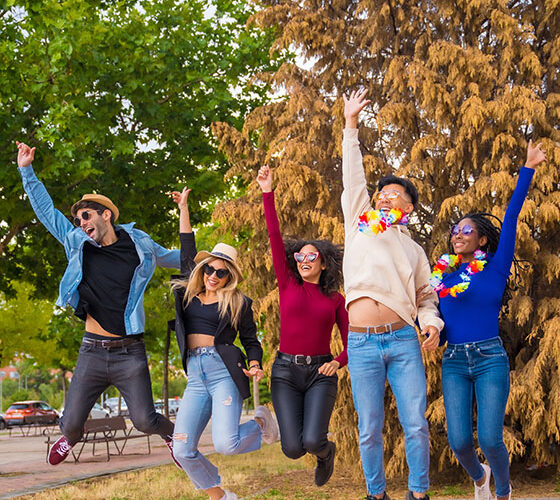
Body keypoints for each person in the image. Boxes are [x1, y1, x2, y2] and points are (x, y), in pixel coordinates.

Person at [15, 141, 180, 466]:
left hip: (129, 351)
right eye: (77, 219)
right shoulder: (78, 243)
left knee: (145, 421)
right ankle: (70, 439)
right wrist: (26, 172)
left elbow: (172, 258)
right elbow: (48, 214)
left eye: (86, 216)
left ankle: (172, 434)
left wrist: (206, 258)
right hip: (92, 349)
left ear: (106, 215)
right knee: (71, 424)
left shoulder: (138, 244)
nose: (81, 223)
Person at [341, 90, 444, 500]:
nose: (385, 196)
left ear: (410, 208)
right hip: (362, 342)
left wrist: (432, 325)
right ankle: (376, 494)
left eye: (395, 195)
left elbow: (426, 298)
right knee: (369, 428)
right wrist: (351, 125)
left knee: (415, 423)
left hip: (403, 339)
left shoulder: (415, 250)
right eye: (382, 193)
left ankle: (419, 493)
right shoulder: (360, 223)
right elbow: (353, 178)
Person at [433, 140, 546, 500]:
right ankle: (479, 476)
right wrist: (430, 329)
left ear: (481, 239)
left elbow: (511, 216)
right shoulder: (442, 276)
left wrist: (527, 168)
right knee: (460, 441)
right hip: (453, 361)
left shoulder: (494, 267)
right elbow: (431, 311)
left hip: (489, 358)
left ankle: (503, 490)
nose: (458, 234)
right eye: (455, 231)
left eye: (466, 230)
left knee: (491, 438)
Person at [170, 186, 278, 500]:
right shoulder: (188, 294)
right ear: (203, 270)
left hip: (223, 373)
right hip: (195, 376)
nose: (213, 274)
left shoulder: (238, 303)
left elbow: (250, 340)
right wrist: (184, 209)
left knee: (226, 444)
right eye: (210, 269)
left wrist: (255, 362)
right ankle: (220, 496)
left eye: (221, 271)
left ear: (229, 276)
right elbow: (186, 248)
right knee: (181, 447)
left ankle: (260, 421)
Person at [257, 165, 349, 487]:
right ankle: (319, 451)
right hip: (285, 372)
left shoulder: (336, 299)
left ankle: (326, 452)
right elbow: (274, 235)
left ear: (323, 262)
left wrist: (338, 362)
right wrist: (268, 193)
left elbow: (351, 340)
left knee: (313, 441)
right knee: (293, 449)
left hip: (320, 374)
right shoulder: (287, 285)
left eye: (312, 256)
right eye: (299, 256)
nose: (304, 259)